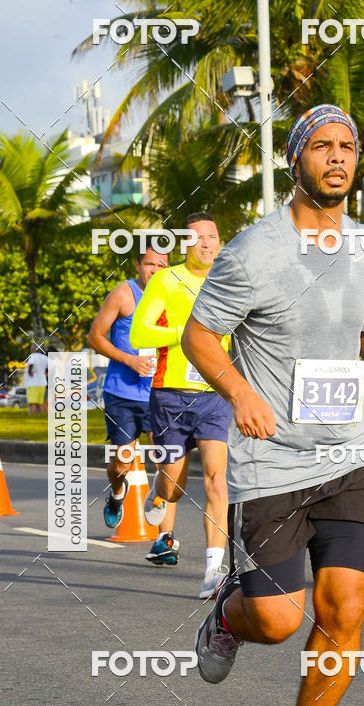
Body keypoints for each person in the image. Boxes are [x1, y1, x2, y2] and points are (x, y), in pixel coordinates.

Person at [183, 105, 364, 706]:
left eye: (348, 146)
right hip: (271, 459)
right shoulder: (255, 250)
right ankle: (229, 612)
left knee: (345, 606)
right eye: (323, 146)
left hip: (347, 454)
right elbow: (199, 336)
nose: (338, 157)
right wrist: (238, 392)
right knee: (278, 619)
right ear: (296, 161)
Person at [129, 213, 232, 594]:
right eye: (197, 238)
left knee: (217, 481)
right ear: (184, 245)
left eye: (212, 236)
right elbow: (140, 331)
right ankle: (157, 493)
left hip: (215, 394)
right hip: (170, 396)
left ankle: (212, 572)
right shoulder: (166, 280)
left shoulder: (230, 283)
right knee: (173, 484)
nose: (205, 243)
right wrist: (188, 333)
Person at [87, 245, 173, 531]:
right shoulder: (124, 295)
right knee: (122, 462)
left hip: (160, 393)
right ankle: (117, 493)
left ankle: (163, 531)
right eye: (150, 264)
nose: (155, 271)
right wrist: (129, 360)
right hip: (122, 393)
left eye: (162, 266)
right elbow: (95, 337)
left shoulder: (173, 297)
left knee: (166, 460)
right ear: (137, 265)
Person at [25, 344, 48, 415]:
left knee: (33, 403)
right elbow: (52, 366)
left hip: (33, 383)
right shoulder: (44, 357)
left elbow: (31, 363)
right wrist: (46, 374)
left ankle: (33, 416)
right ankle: (41, 416)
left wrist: (30, 371)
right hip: (42, 383)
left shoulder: (33, 356)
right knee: (40, 402)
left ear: (33, 349)